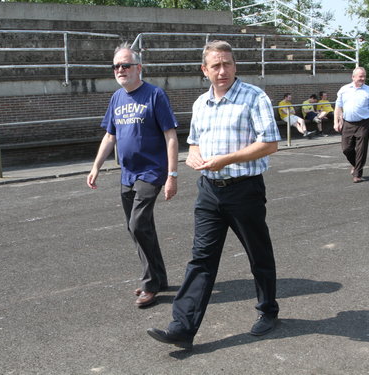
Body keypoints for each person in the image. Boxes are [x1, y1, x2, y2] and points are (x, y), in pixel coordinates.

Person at [147, 40, 281, 350]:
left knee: (258, 254)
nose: (223, 70)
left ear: (235, 65)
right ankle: (182, 328)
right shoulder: (199, 104)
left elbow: (270, 143)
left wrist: (227, 159)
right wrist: (193, 156)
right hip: (209, 191)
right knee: (201, 260)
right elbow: (194, 142)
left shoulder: (253, 97)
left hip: (244, 189)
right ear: (204, 70)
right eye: (216, 66)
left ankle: (268, 311)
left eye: (228, 64)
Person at [87, 43, 179, 307]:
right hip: (127, 173)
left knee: (138, 224)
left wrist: (172, 175)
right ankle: (158, 278)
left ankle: (149, 284)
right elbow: (109, 135)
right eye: (116, 66)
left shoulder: (155, 95)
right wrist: (96, 166)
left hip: (151, 171)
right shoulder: (117, 98)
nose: (120, 70)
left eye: (125, 65)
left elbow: (171, 137)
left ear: (139, 68)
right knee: (138, 228)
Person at [334, 67, 369, 183]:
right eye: (360, 76)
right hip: (347, 123)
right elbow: (338, 107)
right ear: (353, 77)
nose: (363, 78)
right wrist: (336, 121)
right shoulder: (344, 89)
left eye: (364, 76)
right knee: (346, 149)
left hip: (363, 123)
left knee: (361, 149)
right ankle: (355, 164)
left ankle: (357, 174)